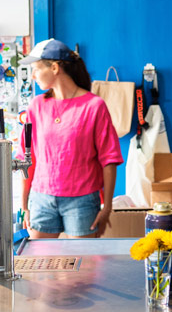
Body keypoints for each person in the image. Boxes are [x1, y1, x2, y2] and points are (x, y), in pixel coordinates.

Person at [18, 39, 123, 238]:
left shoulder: (93, 106)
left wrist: (107, 206)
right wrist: (24, 205)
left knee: (84, 266)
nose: (33, 76)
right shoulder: (36, 106)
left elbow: (109, 159)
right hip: (41, 199)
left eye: (36, 69)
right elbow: (26, 158)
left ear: (55, 67)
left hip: (82, 200)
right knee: (40, 266)